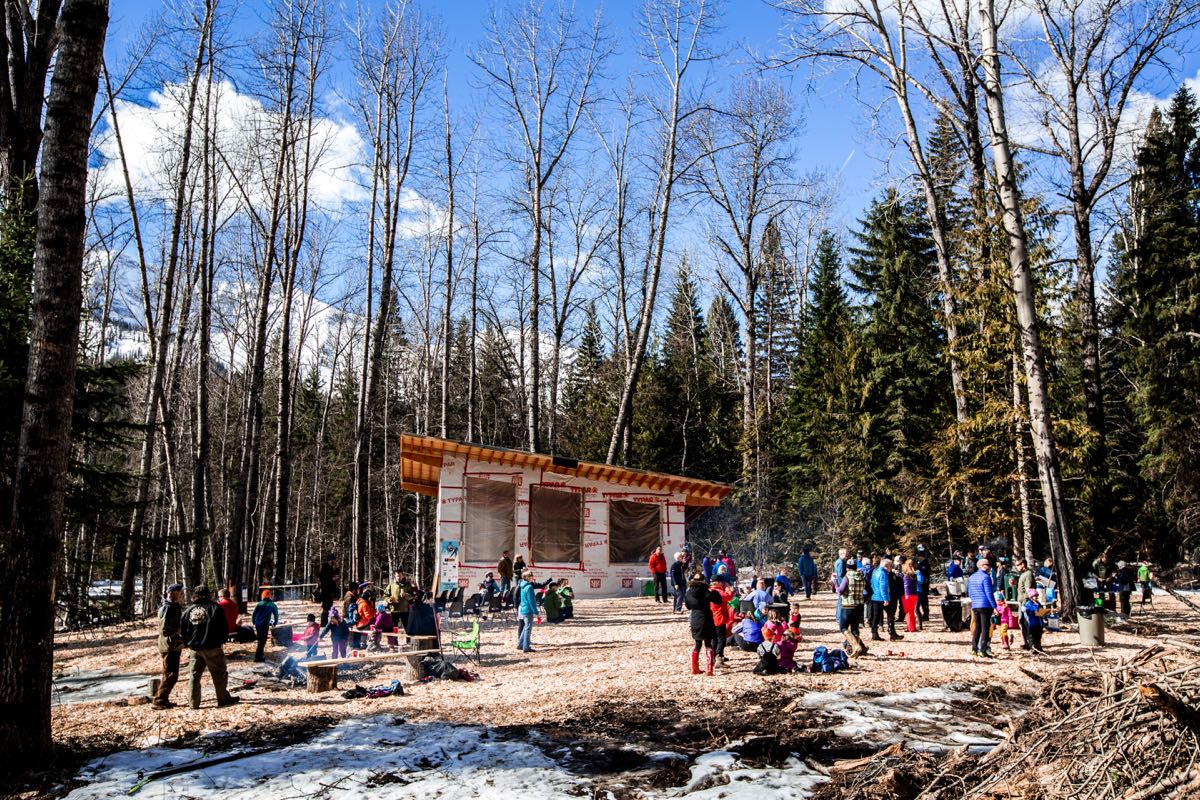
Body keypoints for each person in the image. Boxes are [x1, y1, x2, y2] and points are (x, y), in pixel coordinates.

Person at [180, 586, 238, 709]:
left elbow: (183, 630)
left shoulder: (188, 610)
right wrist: (222, 641)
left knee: (194, 676)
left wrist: (187, 644)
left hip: (195, 649)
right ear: (208, 594)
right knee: (219, 674)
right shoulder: (215, 608)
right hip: (212, 647)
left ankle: (193, 702)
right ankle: (223, 699)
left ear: (194, 595)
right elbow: (223, 627)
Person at [152, 583, 185, 710]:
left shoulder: (173, 606)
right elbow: (165, 629)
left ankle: (163, 699)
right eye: (179, 592)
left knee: (171, 674)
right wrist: (179, 632)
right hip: (169, 645)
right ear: (172, 593)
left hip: (173, 644)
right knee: (170, 675)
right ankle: (159, 700)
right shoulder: (167, 608)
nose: (181, 594)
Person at [684, 572, 720, 675]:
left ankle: (695, 668)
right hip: (706, 617)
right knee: (708, 644)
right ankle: (709, 669)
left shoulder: (688, 592)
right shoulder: (705, 591)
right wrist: (714, 591)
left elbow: (688, 606)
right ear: (703, 580)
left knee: (697, 644)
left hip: (695, 618)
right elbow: (718, 601)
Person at [838, 559, 868, 657]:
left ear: (847, 568)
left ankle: (855, 646)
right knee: (855, 628)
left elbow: (840, 590)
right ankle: (856, 652)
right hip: (859, 606)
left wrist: (834, 582)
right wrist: (864, 599)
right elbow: (870, 591)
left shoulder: (847, 577)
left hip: (848, 606)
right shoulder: (862, 576)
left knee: (843, 627)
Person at [968, 559, 997, 658]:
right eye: (988, 565)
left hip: (975, 605)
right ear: (982, 566)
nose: (989, 567)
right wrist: (994, 606)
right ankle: (983, 650)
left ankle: (974, 649)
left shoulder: (971, 577)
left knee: (977, 627)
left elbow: (970, 592)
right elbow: (989, 593)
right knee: (985, 628)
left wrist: (974, 602)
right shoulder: (986, 577)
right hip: (985, 605)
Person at [251, 589, 278, 662]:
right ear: (269, 595)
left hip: (258, 624)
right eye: (270, 594)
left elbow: (254, 614)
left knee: (260, 639)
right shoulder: (272, 604)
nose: (271, 595)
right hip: (264, 624)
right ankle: (258, 656)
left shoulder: (259, 604)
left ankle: (261, 654)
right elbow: (276, 614)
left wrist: (253, 622)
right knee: (262, 641)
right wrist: (275, 623)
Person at [710, 579, 733, 667]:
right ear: (718, 582)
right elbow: (729, 597)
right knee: (722, 638)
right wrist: (728, 589)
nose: (723, 584)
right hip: (719, 617)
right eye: (722, 582)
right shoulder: (718, 591)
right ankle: (719, 657)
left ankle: (714, 657)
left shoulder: (709, 590)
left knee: (714, 638)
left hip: (711, 617)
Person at [516, 570, 539, 652]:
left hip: (523, 608)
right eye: (531, 576)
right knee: (528, 629)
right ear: (528, 577)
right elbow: (531, 601)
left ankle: (520, 644)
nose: (533, 578)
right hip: (528, 610)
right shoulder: (529, 587)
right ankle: (526, 647)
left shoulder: (522, 585)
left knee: (525, 628)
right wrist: (536, 611)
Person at [869, 558, 892, 641]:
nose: (891, 567)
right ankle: (892, 632)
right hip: (881, 597)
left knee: (876, 616)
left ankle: (874, 633)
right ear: (886, 566)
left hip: (875, 596)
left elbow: (872, 583)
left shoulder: (875, 571)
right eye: (890, 566)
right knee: (890, 614)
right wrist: (885, 598)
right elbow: (883, 586)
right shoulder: (883, 573)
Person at [1015, 559, 1035, 650]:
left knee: (1028, 623)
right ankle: (1026, 642)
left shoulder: (1028, 574)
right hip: (1021, 602)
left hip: (1025, 603)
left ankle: (1032, 643)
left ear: (1023, 564)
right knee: (1022, 622)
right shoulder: (1022, 574)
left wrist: (1025, 603)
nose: (1016, 567)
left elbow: (1028, 590)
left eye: (1018, 565)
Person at [1024, 588, 1049, 654]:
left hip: (1038, 623)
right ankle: (1033, 648)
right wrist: (1035, 612)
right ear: (1031, 597)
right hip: (1031, 624)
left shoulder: (1038, 603)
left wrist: (1044, 614)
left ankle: (1039, 647)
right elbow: (1028, 612)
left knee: (1038, 636)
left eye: (1036, 596)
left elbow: (1042, 610)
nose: (1036, 597)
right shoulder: (1028, 604)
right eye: (1034, 596)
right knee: (1032, 637)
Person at [318, 554, 340, 626]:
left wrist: (337, 568)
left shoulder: (330, 567)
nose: (334, 561)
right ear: (330, 560)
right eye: (333, 560)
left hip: (330, 591)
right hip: (326, 591)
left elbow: (334, 574)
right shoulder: (325, 567)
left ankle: (326, 622)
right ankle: (323, 623)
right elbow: (323, 579)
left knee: (329, 606)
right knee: (326, 607)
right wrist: (332, 579)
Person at [901, 561, 919, 633]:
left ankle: (910, 628)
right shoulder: (915, 575)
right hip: (914, 595)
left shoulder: (905, 575)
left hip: (907, 595)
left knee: (908, 612)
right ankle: (913, 626)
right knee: (912, 611)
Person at [915, 545, 932, 622]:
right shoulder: (920, 562)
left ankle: (926, 614)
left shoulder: (925, 563)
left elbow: (925, 571)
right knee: (921, 599)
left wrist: (918, 568)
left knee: (924, 599)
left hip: (924, 583)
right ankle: (924, 614)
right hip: (921, 584)